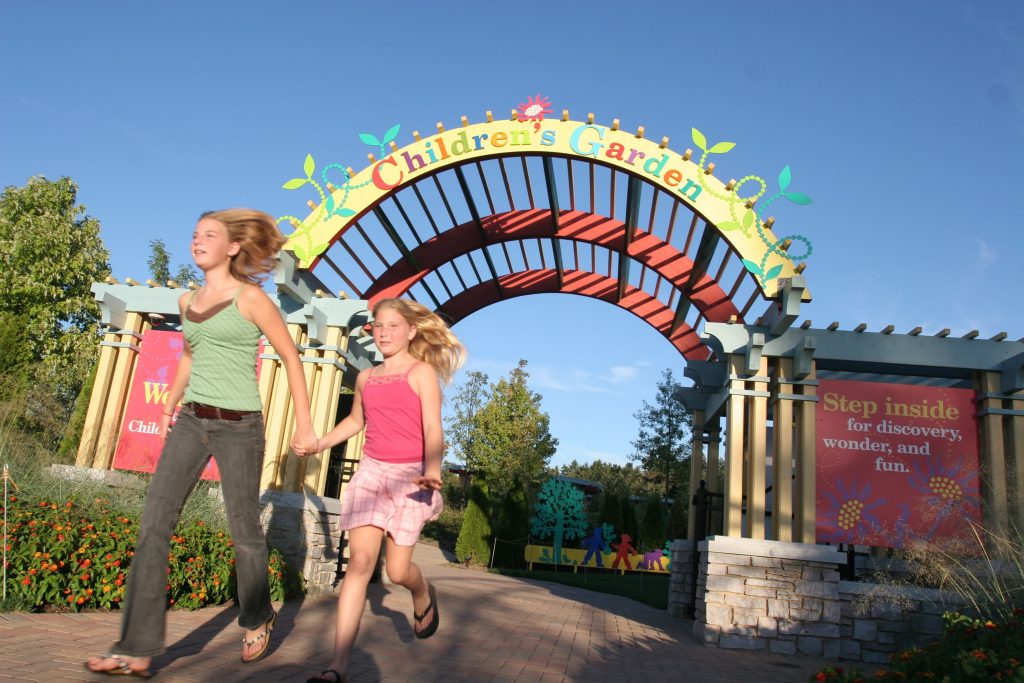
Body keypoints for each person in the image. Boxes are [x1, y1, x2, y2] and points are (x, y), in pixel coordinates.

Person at [86, 208, 318, 677]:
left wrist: (306, 426)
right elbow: (190, 354)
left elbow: (291, 358)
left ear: (233, 247)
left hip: (240, 426)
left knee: (244, 532)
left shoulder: (251, 298)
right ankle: (136, 646)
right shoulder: (187, 300)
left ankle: (257, 616)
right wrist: (171, 401)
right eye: (195, 234)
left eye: (209, 235)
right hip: (192, 420)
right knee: (154, 524)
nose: (198, 241)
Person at [303, 298, 465, 683]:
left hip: (411, 478)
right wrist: (320, 443)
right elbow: (356, 420)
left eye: (393, 325)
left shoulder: (422, 373)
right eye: (379, 325)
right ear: (372, 331)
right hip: (372, 474)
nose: (385, 332)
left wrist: (432, 469)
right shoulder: (366, 378)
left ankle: (422, 590)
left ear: (410, 331)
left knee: (395, 571)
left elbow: (433, 429)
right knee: (359, 564)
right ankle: (337, 666)